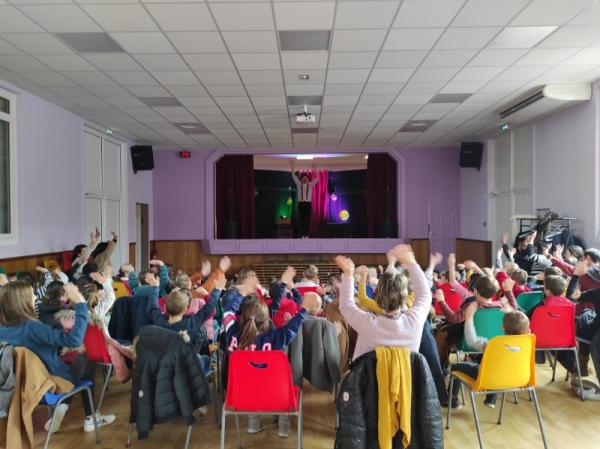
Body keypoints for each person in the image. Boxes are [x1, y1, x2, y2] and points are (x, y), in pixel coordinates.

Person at [0, 281, 115, 433]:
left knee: (78, 359)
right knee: (87, 360)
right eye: (32, 295)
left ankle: (64, 407)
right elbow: (74, 340)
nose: (35, 297)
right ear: (21, 302)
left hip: (23, 387)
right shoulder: (31, 327)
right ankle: (89, 417)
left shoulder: (3, 330)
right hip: (50, 385)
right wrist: (81, 303)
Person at [225, 293, 310, 437]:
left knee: (251, 383)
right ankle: (284, 427)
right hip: (276, 394)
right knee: (279, 384)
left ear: (242, 317)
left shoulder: (232, 334)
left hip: (242, 395)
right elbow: (291, 328)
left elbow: (228, 311)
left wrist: (239, 292)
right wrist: (304, 310)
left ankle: (253, 424)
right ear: (266, 321)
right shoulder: (275, 337)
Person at [337, 244, 431, 360]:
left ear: (378, 298)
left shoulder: (368, 324)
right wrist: (412, 263)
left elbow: (346, 306)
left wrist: (348, 274)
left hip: (368, 378)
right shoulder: (414, 322)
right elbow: (425, 295)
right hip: (406, 378)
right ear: (405, 297)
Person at [448, 305, 530, 408]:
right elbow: (520, 324)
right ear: (528, 331)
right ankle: (491, 399)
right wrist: (511, 312)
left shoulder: (492, 344)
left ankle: (452, 399)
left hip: (490, 378)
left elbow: (472, 340)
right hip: (519, 378)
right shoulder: (529, 342)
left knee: (456, 366)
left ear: (502, 328)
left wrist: (469, 319)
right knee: (498, 368)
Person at [290, 159, 318, 239]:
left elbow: (317, 179)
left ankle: (307, 235)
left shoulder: (310, 184)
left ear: (308, 179)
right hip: (301, 204)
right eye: (303, 178)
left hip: (308, 204)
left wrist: (315, 169)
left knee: (307, 220)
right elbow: (293, 175)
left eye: (306, 178)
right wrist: (292, 165)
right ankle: (303, 235)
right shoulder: (299, 184)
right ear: (301, 179)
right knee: (302, 220)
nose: (305, 179)